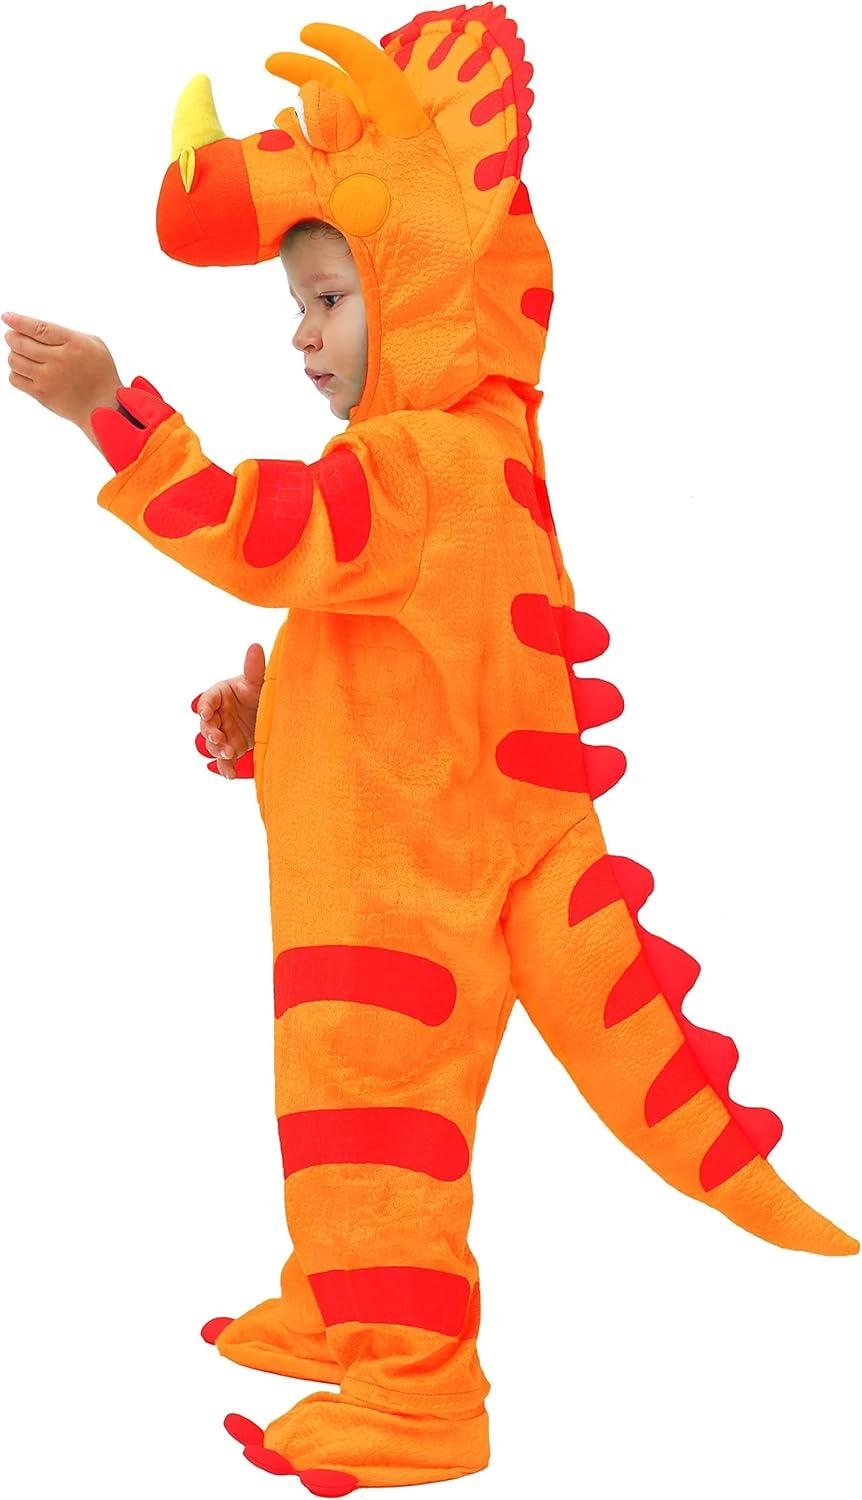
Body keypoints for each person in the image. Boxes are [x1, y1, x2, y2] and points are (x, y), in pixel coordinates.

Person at [4, 14, 856, 1496]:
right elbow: (415, 682)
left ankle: (418, 1394)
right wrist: (270, 719)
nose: (302, 333)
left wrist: (111, 413)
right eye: (300, 303)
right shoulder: (445, 470)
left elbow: (250, 531)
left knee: (373, 1127)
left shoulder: (424, 463)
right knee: (331, 1118)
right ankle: (343, 1304)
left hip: (408, 912)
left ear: (420, 286)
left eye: (330, 298)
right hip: (383, 887)